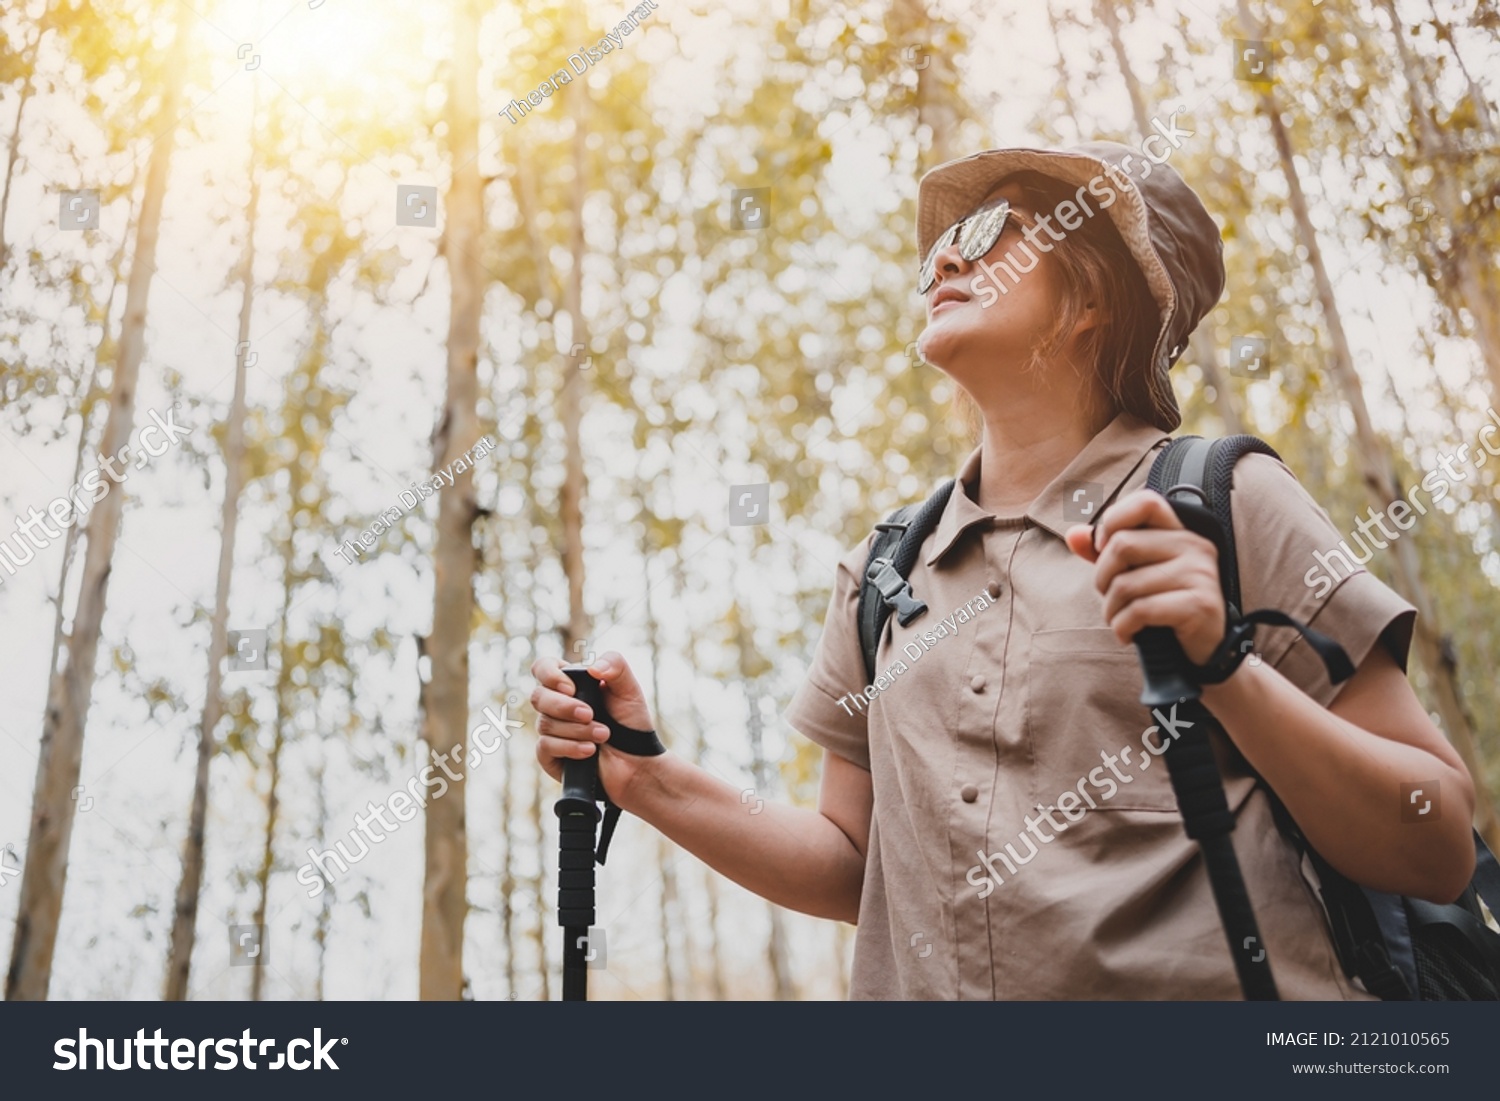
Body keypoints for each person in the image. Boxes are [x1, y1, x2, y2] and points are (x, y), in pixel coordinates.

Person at [528, 142, 1477, 999]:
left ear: (1096, 295)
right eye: (939, 242)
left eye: (986, 232)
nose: (942, 258)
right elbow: (855, 863)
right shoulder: (883, 571)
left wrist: (1224, 666)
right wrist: (644, 775)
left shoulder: (1228, 501)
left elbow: (1436, 841)